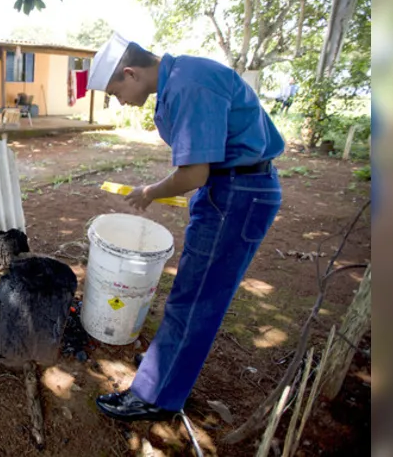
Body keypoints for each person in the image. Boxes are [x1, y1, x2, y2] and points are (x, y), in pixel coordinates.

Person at [86, 33, 284, 421]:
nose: (119, 101)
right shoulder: (181, 78)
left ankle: (154, 396)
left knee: (196, 299)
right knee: (192, 290)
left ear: (130, 72)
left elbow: (194, 172)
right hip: (228, 190)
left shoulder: (188, 84)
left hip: (237, 195)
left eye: (115, 91)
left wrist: (150, 192)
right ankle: (169, 364)